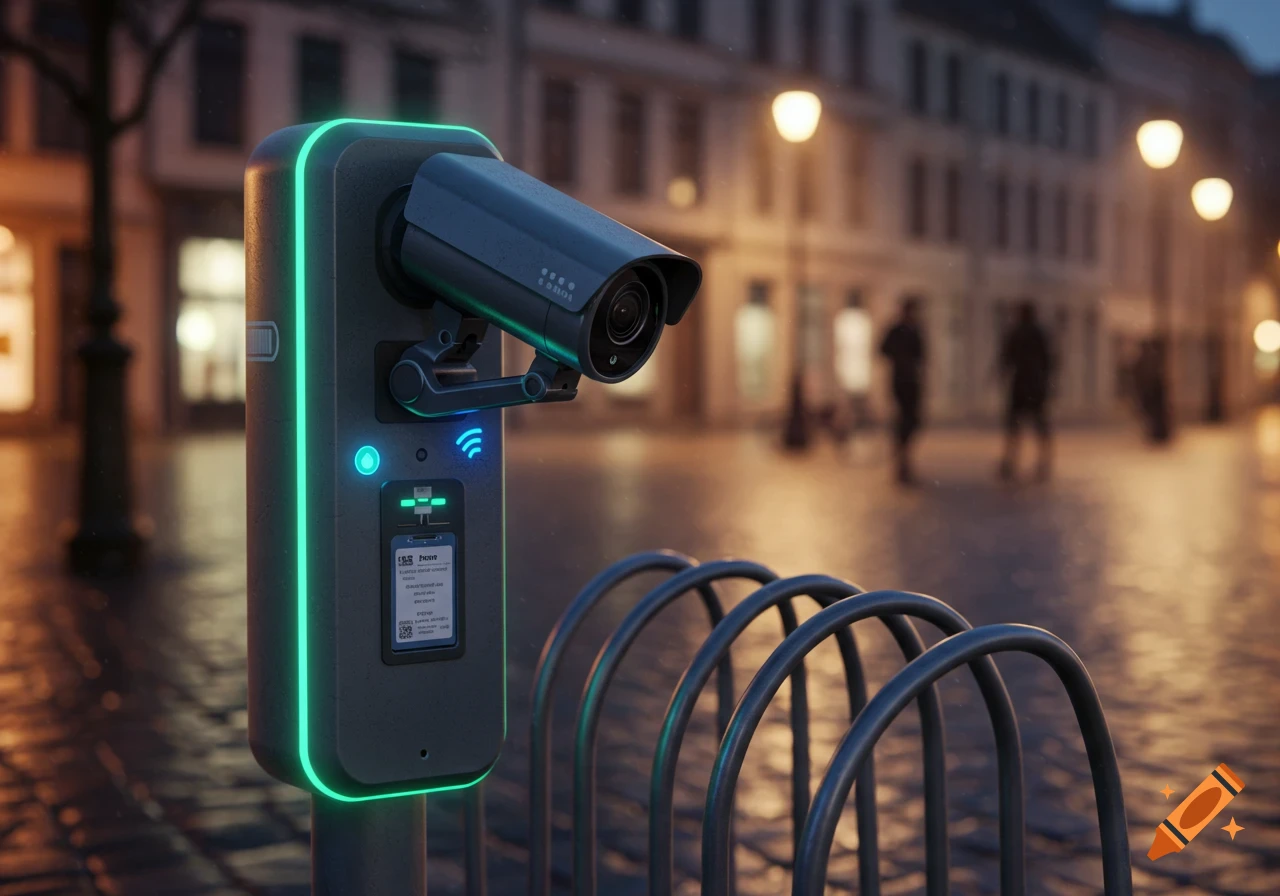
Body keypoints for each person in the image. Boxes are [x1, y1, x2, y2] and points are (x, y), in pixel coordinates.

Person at [997, 301, 1054, 481]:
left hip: (1024, 383)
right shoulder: (1035, 333)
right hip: (1032, 384)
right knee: (1035, 424)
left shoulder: (1020, 332)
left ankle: (1013, 461)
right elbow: (1048, 360)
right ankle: (1039, 462)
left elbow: (1007, 357)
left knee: (1017, 425)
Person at [879, 299, 927, 484]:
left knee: (911, 421)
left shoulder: (914, 331)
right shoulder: (897, 330)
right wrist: (900, 358)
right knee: (904, 421)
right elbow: (883, 350)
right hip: (901, 381)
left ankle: (904, 458)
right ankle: (902, 461)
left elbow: (921, 356)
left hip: (910, 382)